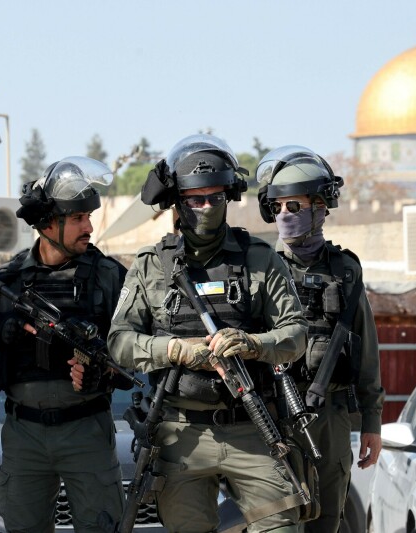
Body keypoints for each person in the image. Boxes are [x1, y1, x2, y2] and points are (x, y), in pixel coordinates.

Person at [107, 134, 309, 533]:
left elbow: (296, 334)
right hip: (181, 432)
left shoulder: (259, 259)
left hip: (252, 426)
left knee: (282, 526)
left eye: (214, 198)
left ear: (228, 197)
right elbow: (119, 342)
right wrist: (175, 350)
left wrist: (254, 344)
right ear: (178, 202)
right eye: (195, 199)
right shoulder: (151, 265)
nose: (204, 208)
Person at [0, 156, 131, 533]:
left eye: (90, 216)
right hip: (25, 435)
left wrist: (100, 372)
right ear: (48, 224)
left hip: (86, 427)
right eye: (78, 218)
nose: (90, 226)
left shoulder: (108, 276)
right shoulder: (7, 279)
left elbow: (134, 352)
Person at [255, 146, 385, 533]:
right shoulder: (259, 266)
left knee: (327, 520)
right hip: (271, 416)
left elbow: (367, 350)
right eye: (277, 207)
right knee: (275, 523)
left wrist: (374, 423)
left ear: (319, 208)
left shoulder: (344, 270)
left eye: (293, 207)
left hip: (329, 417)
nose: (284, 216)